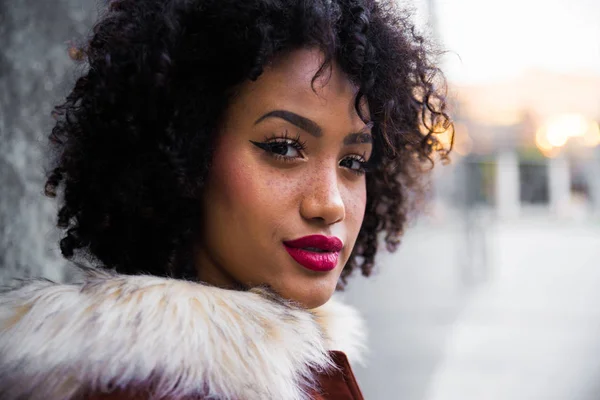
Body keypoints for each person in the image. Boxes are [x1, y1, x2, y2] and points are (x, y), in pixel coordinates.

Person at [0, 0, 451, 398]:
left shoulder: (301, 366)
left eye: (354, 162)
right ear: (181, 154)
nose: (330, 203)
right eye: (282, 147)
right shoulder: (133, 389)